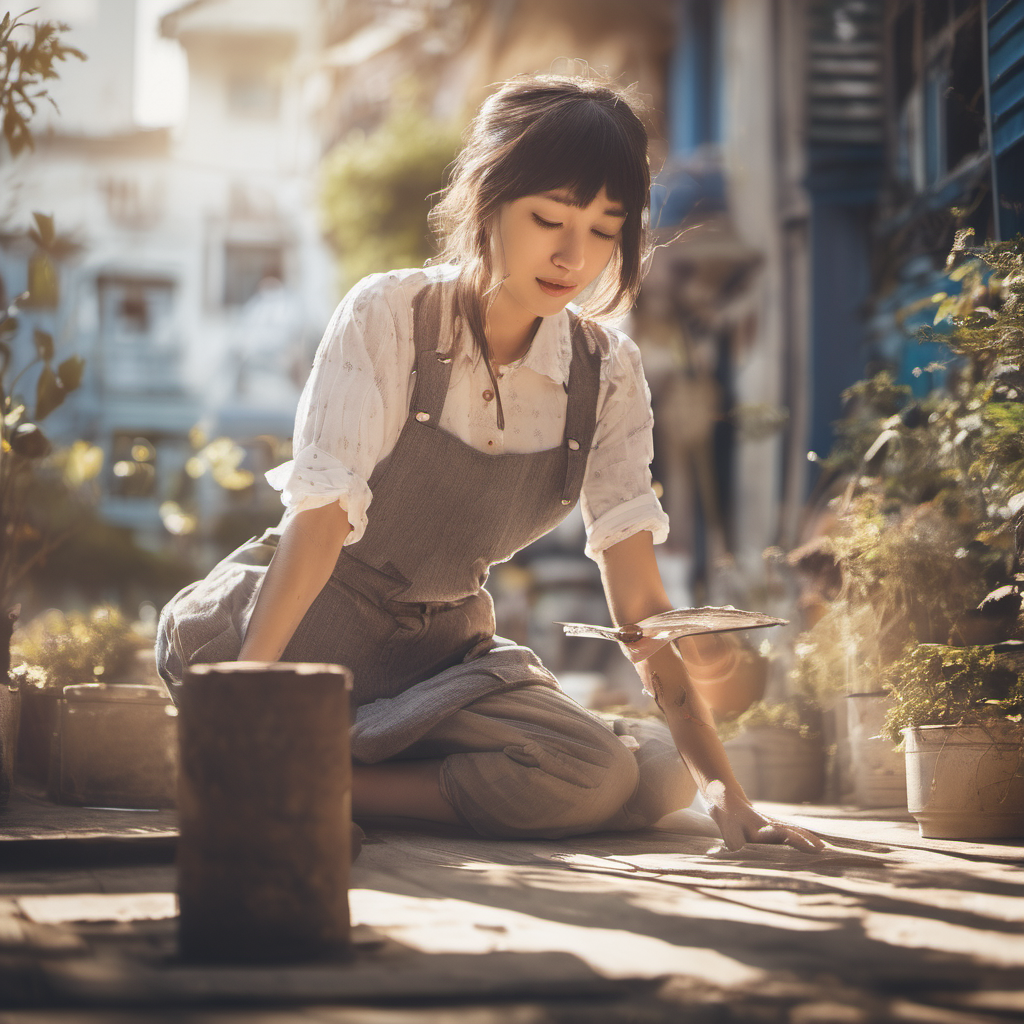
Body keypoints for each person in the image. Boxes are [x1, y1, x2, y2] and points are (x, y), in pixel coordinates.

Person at [157, 74, 821, 852]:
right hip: (304, 632)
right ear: (488, 196)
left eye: (606, 231)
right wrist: (246, 702)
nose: (575, 256)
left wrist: (729, 800)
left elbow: (640, 603)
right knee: (600, 781)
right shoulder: (392, 315)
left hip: (438, 660)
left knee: (659, 776)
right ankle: (291, 761)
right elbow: (320, 523)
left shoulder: (606, 372)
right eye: (549, 218)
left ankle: (327, 774)